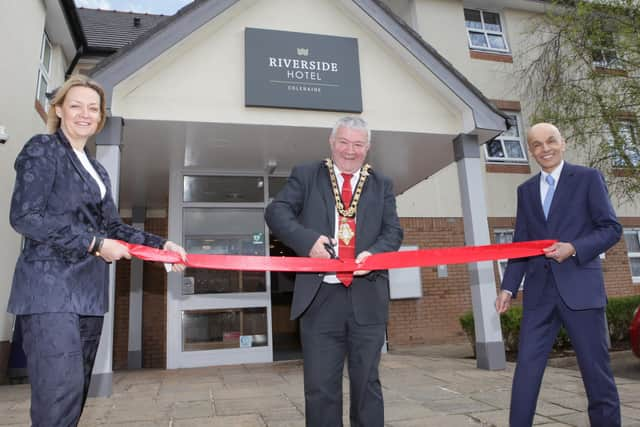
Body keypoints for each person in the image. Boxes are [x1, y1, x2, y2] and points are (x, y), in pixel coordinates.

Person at [7, 74, 187, 426]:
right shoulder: (42, 149)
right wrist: (94, 244)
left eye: (93, 108)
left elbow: (113, 228)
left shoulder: (98, 171)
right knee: (59, 394)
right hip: (49, 294)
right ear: (59, 109)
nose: (85, 114)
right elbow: (26, 216)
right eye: (75, 105)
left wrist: (162, 245)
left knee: (75, 395)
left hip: (89, 296)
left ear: (101, 116)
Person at [265, 116, 403, 427]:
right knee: (320, 389)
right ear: (331, 142)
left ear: (367, 148)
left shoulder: (382, 184)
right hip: (320, 300)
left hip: (367, 299)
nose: (350, 150)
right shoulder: (307, 175)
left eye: (357, 144)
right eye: (343, 142)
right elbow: (276, 211)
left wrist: (374, 255)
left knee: (367, 386)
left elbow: (393, 232)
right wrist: (308, 240)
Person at [495, 123, 621, 426]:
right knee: (526, 371)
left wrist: (574, 247)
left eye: (550, 141)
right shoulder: (525, 191)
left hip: (581, 292)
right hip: (540, 296)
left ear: (563, 143)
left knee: (596, 376)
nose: (545, 148)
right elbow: (521, 244)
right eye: (537, 144)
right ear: (531, 150)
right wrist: (508, 288)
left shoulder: (588, 179)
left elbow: (611, 229)